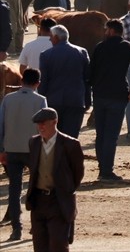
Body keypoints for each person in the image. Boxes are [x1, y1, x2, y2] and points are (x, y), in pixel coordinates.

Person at [88, 19, 130, 182]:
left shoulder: (100, 47)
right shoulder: (129, 47)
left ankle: (102, 168)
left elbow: (91, 71)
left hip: (100, 95)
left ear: (111, 31)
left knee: (101, 134)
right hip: (118, 95)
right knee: (111, 135)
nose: (105, 32)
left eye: (106, 30)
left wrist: (92, 88)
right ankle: (106, 171)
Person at [25, 108, 84, 252]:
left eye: (44, 123)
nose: (41, 127)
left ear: (54, 122)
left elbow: (78, 173)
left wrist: (66, 190)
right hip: (38, 200)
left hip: (59, 200)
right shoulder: (34, 142)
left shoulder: (70, 144)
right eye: (38, 124)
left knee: (58, 244)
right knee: (40, 245)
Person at [0, 68, 47, 241]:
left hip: (12, 149)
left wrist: (1, 149)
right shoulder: (41, 100)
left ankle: (16, 229)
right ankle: (36, 226)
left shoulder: (8, 99)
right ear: (38, 83)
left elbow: (1, 125)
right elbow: (45, 127)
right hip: (33, 149)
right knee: (38, 188)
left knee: (14, 189)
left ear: (21, 81)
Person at [37, 26, 89, 139]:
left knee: (53, 137)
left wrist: (41, 100)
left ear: (56, 37)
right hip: (76, 101)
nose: (50, 39)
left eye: (51, 37)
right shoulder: (82, 52)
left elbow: (43, 81)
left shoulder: (46, 55)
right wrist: (87, 100)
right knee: (71, 137)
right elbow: (87, 79)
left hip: (53, 101)